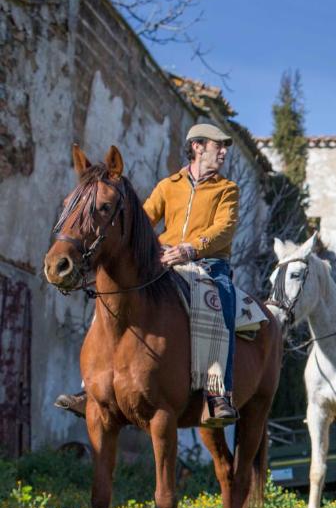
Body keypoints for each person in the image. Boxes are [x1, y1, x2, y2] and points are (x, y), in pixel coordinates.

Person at [55, 123, 241, 427]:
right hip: (164, 259)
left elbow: (224, 229)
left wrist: (190, 249)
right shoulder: (169, 185)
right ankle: (90, 388)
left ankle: (218, 393)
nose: (222, 152)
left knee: (220, 298)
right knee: (109, 296)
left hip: (208, 263)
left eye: (224, 147)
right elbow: (143, 219)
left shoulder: (227, 189)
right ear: (197, 147)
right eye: (217, 145)